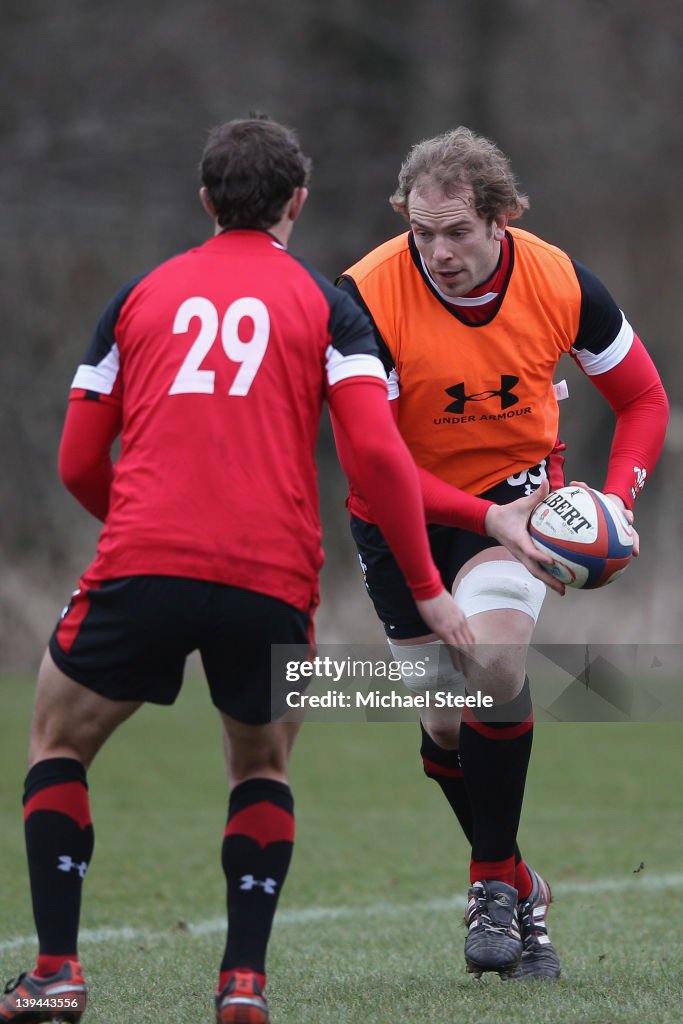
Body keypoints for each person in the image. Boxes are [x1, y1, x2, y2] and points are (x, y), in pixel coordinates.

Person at [0, 117, 486, 1024]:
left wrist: (143, 534)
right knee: (259, 765)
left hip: (142, 560)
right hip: (269, 575)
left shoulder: (140, 295)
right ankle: (242, 985)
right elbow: (378, 463)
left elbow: (75, 458)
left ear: (204, 201)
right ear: (295, 203)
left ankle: (56, 972)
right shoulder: (329, 306)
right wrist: (427, 588)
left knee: (58, 743)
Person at [336, 126, 669, 980]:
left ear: (502, 219)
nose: (436, 252)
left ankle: (489, 885)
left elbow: (642, 400)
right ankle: (524, 884)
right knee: (444, 723)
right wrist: (488, 523)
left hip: (518, 507)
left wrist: (610, 504)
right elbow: (375, 471)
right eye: (420, 231)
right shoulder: (365, 297)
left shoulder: (558, 280)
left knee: (491, 663)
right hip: (400, 519)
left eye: (456, 232)